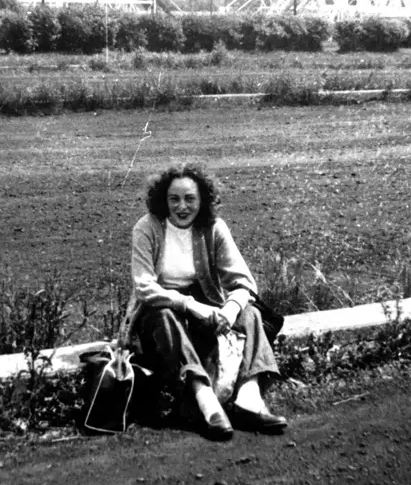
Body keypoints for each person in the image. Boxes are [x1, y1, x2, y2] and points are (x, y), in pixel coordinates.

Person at [122, 163, 287, 440]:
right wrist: (190, 305)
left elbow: (244, 283)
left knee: (250, 314)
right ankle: (206, 401)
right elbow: (144, 287)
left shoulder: (214, 228)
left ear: (203, 200)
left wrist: (230, 309)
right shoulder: (146, 228)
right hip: (160, 319)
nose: (182, 207)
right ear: (163, 200)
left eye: (190, 199)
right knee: (162, 313)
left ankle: (249, 400)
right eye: (173, 199)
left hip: (207, 312)